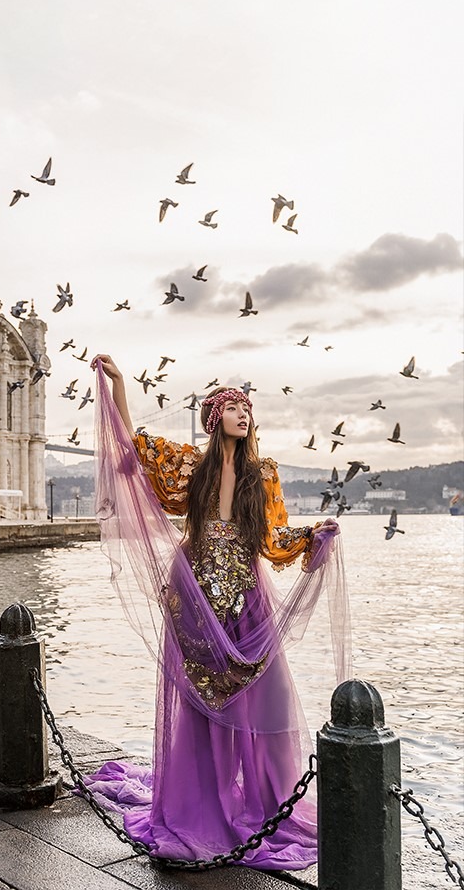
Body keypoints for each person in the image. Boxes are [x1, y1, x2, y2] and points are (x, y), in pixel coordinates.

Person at [82, 355, 351, 871]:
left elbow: (272, 540)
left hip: (248, 595)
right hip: (196, 596)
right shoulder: (190, 467)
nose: (242, 413)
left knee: (267, 699)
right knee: (203, 708)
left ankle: (270, 804)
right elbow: (134, 444)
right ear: (214, 419)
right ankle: (198, 806)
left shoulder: (263, 475)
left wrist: (313, 537)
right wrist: (119, 383)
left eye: (246, 408)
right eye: (232, 407)